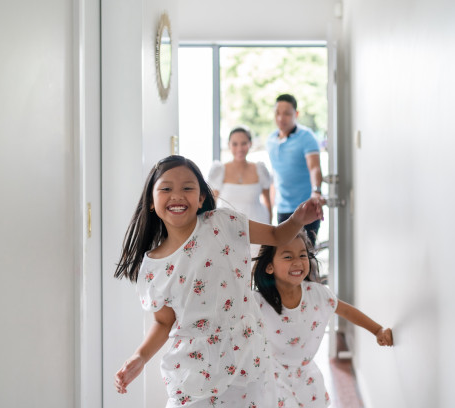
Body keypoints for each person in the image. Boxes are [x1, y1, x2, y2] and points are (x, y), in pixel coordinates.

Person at [113, 155, 324, 407]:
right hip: (194, 371)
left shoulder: (224, 223)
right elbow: (163, 321)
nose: (177, 195)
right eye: (166, 188)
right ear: (150, 201)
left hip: (246, 361)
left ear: (201, 197)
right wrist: (140, 357)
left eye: (187, 188)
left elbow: (276, 235)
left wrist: (298, 219)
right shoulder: (153, 266)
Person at [252, 231, 393, 408]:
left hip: (307, 378)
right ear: (269, 266)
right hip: (273, 377)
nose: (297, 262)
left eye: (302, 255)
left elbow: (347, 311)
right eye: (288, 257)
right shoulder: (256, 302)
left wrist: (377, 330)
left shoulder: (317, 294)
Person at [266, 94, 324, 246]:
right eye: (277, 113)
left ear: (296, 114)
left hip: (306, 208)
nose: (281, 118)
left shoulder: (306, 137)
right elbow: (275, 176)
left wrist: (316, 192)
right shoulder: (270, 141)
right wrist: (270, 209)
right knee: (285, 255)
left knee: (307, 255)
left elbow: (314, 168)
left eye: (287, 113)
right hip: (283, 209)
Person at [208, 126, 272, 256]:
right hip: (228, 228)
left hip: (257, 226)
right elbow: (212, 202)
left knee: (254, 265)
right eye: (235, 144)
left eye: (244, 143)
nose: (239, 148)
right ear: (229, 145)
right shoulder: (220, 170)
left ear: (250, 144)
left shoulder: (260, 169)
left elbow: (267, 200)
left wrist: (270, 228)